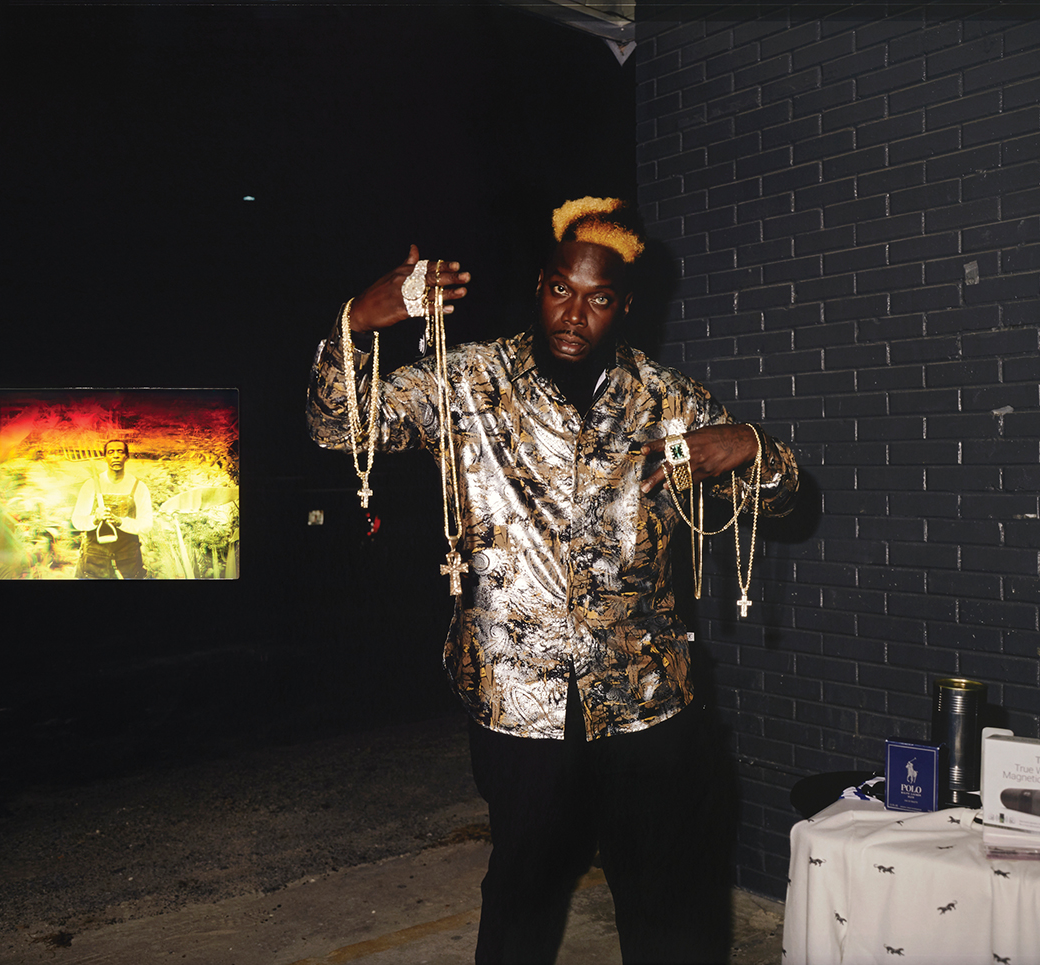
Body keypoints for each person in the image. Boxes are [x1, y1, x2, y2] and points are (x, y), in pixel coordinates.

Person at [307, 197, 799, 964]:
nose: (575, 313)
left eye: (599, 298)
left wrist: (757, 448)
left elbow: (778, 499)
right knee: (521, 898)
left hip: (644, 702)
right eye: (561, 289)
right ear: (541, 284)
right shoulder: (470, 382)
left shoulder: (668, 401)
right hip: (519, 700)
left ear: (625, 305)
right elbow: (341, 426)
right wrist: (358, 325)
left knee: (668, 902)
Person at [70, 439, 153, 579]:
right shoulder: (90, 485)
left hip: (128, 560)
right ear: (105, 457)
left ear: (126, 457)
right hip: (95, 560)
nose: (115, 455)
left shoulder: (138, 487)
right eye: (111, 452)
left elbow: (146, 524)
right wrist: (95, 519)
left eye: (120, 452)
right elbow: (77, 521)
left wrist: (120, 522)